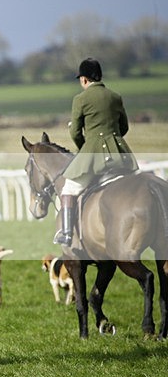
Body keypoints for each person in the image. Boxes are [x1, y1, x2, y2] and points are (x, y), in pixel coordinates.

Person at [53, 58, 138, 245]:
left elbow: (75, 132)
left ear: (84, 79)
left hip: (93, 155)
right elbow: (123, 128)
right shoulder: (115, 96)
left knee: (69, 189)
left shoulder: (80, 99)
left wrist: (85, 149)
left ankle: (66, 234)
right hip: (121, 156)